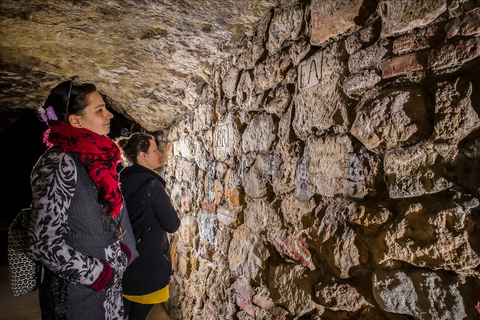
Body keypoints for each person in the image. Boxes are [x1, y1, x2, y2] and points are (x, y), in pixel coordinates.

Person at [27, 80, 133, 319]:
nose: (109, 114)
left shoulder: (96, 158)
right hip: (77, 293)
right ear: (75, 121)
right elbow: (43, 243)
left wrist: (116, 249)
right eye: (99, 110)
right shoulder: (59, 162)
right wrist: (97, 273)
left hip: (106, 287)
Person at [118, 133, 180, 320]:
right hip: (147, 264)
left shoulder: (120, 181)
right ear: (142, 155)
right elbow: (172, 224)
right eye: (154, 150)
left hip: (124, 261)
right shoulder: (151, 184)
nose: (160, 153)